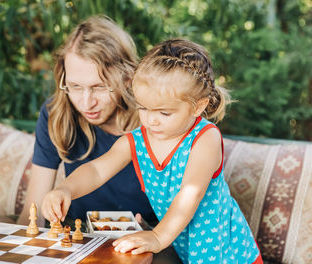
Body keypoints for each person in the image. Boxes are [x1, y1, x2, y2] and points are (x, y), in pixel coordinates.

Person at [41, 38, 263, 263]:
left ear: (198, 106)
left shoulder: (206, 138)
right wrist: (66, 189)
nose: (151, 121)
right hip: (183, 248)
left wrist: (157, 236)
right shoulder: (137, 140)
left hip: (227, 253)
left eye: (164, 113)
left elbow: (190, 193)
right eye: (143, 108)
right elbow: (97, 170)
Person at [17, 15, 157, 229]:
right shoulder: (56, 114)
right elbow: (31, 212)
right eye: (75, 86)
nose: (86, 103)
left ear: (127, 77)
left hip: (151, 234)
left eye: (99, 87)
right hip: (78, 232)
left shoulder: (156, 118)